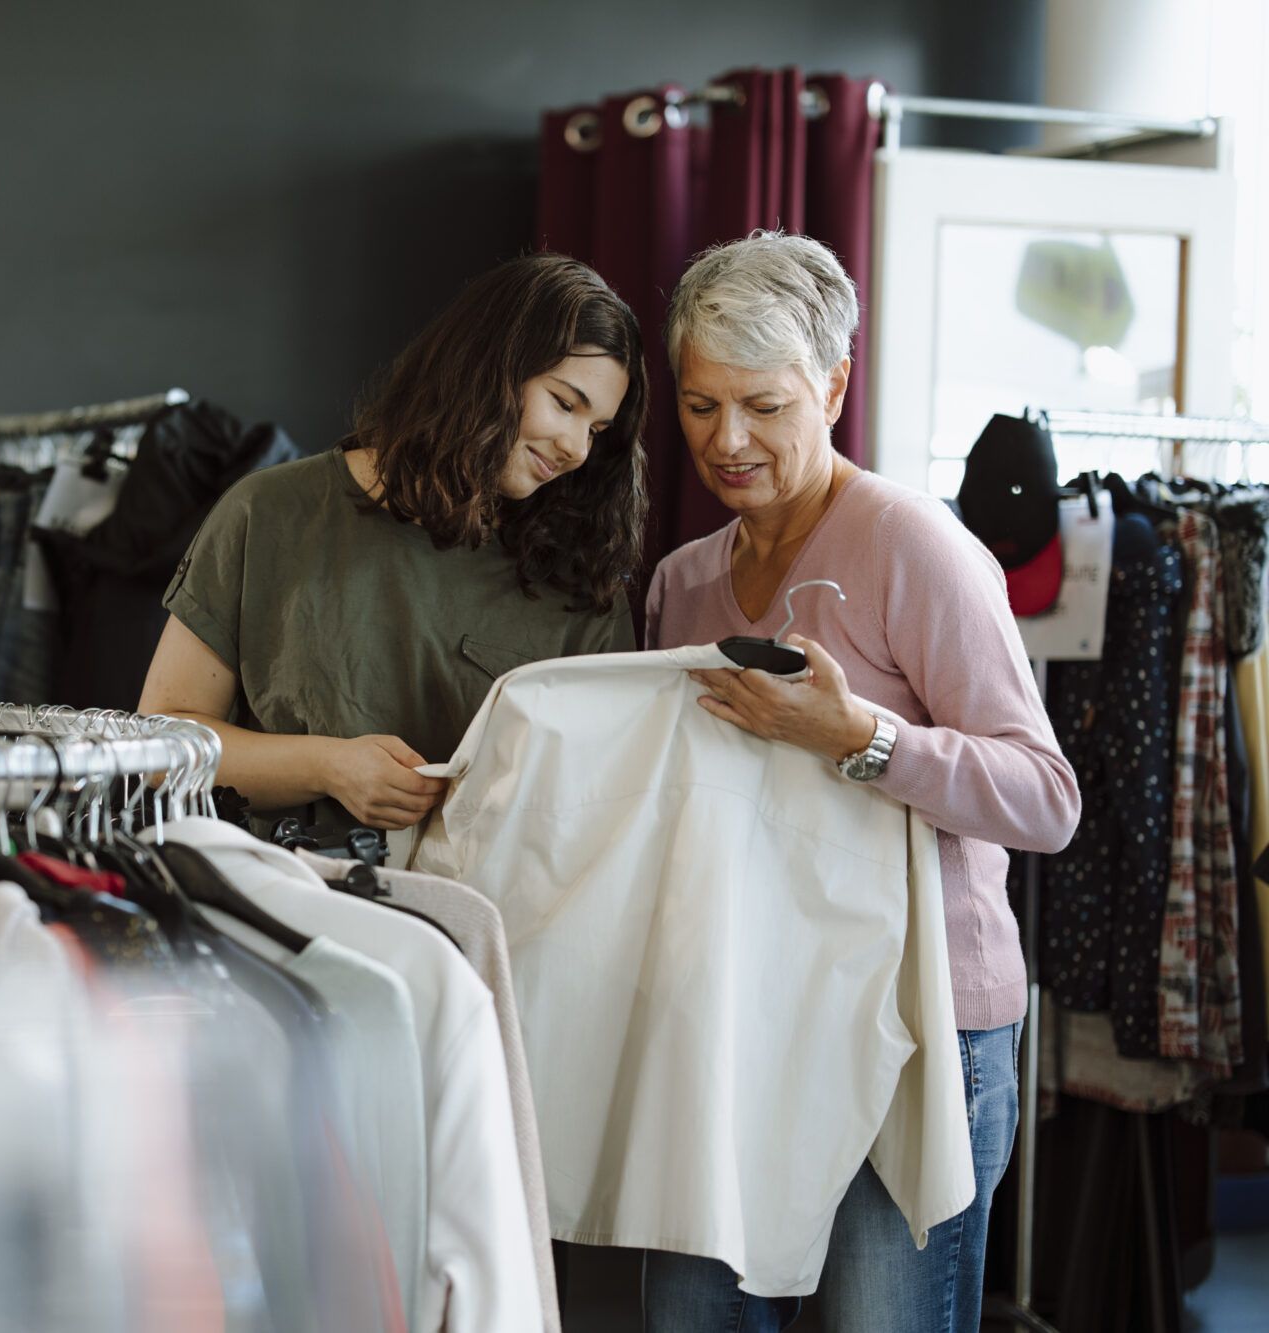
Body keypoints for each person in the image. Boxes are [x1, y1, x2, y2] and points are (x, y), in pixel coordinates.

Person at [640, 231, 1080, 1332]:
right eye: (699, 406)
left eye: (763, 406)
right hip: (736, 1024)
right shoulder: (681, 583)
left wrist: (860, 737)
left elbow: (1044, 798)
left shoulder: (915, 548)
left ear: (831, 384)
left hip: (918, 1034)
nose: (726, 441)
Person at [140, 253, 648, 841]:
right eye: (564, 403)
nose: (576, 449)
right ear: (488, 366)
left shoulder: (579, 577)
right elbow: (158, 745)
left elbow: (601, 803)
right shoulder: (268, 511)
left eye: (597, 431)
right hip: (279, 905)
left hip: (488, 921)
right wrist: (328, 768)